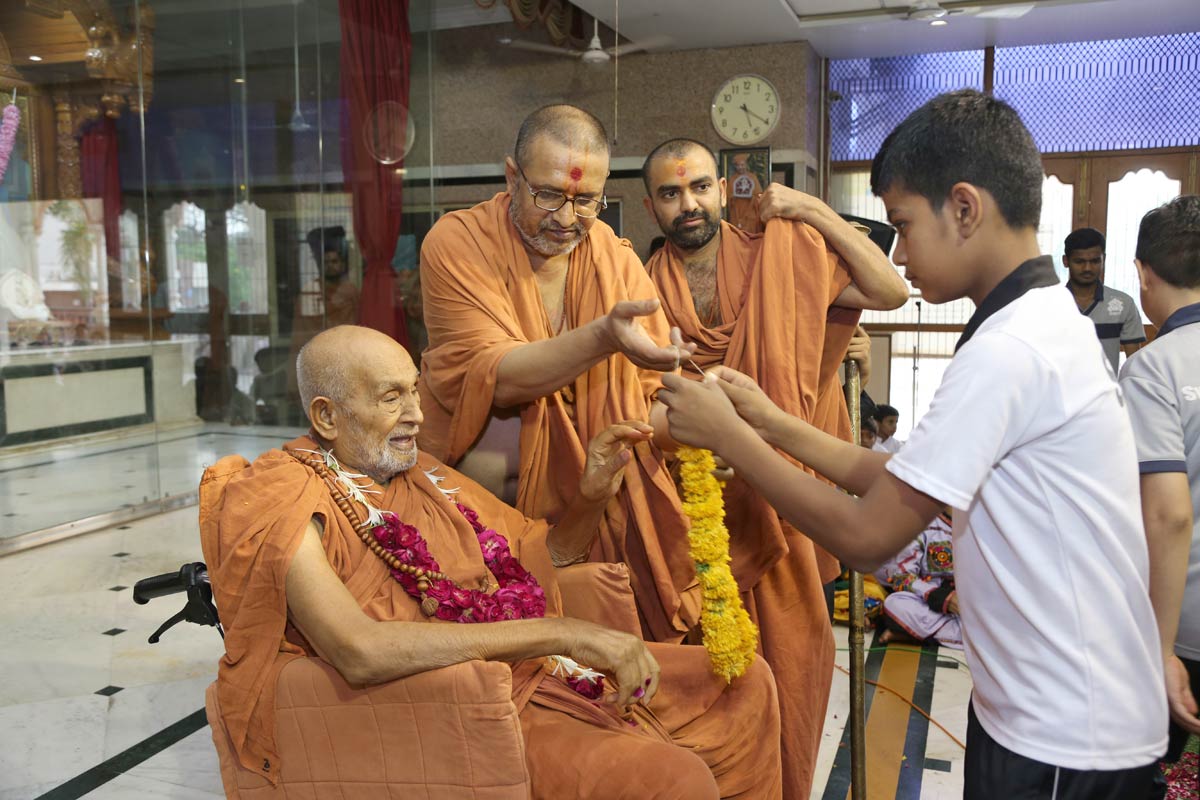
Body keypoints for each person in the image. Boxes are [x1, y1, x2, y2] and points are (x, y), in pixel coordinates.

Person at [657, 89, 1166, 799]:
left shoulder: (1011, 351)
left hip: (1065, 729)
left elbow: (868, 536)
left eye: (902, 224)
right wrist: (770, 422)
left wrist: (731, 438)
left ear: (964, 208)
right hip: (1047, 705)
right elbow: (893, 476)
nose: (897, 253)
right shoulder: (1035, 321)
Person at [199, 325, 783, 799]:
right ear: (327, 417)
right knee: (673, 781)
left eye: (413, 391)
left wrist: (591, 496)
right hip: (448, 707)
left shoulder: (424, 474)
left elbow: (536, 562)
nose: (416, 414)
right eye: (391, 397)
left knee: (744, 682)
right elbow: (358, 651)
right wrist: (564, 633)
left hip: (531, 671)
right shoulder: (280, 495)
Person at [642, 137, 908, 799]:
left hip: (782, 492)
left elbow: (891, 289)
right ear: (651, 206)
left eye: (699, 187)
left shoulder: (777, 252)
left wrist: (812, 210)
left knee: (793, 659)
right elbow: (631, 398)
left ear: (721, 189)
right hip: (693, 503)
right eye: (671, 193)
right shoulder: (638, 286)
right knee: (704, 673)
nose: (688, 204)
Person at [417, 105, 700, 644]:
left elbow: (647, 401)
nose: (567, 218)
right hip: (473, 524)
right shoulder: (458, 243)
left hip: (593, 515)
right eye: (548, 194)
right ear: (511, 177)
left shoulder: (615, 262)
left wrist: (702, 425)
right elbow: (496, 376)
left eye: (586, 200)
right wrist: (603, 337)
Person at [1118, 196, 1200, 783]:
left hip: (1186, 621)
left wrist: (1160, 646)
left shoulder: (1153, 367)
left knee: (1147, 773)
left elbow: (1168, 515)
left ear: (1143, 274)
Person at [874, 510, 962, 649]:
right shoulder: (922, 523)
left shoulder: (985, 523)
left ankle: (916, 635)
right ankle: (968, 638)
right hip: (931, 605)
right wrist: (942, 598)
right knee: (895, 604)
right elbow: (901, 577)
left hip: (975, 606)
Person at [1063, 227, 1146, 374]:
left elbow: (1135, 365)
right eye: (1079, 261)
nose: (1087, 268)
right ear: (1066, 261)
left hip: (1107, 388)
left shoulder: (1123, 304)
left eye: (1095, 261)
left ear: (1104, 259)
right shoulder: (1051, 305)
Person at [726, 152, 764, 234]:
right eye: (738, 165)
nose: (740, 167)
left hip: (750, 215)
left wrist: (752, 197)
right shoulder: (733, 179)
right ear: (735, 167)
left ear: (746, 165)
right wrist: (734, 197)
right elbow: (728, 197)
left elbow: (759, 196)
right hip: (736, 214)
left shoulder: (753, 177)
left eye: (742, 165)